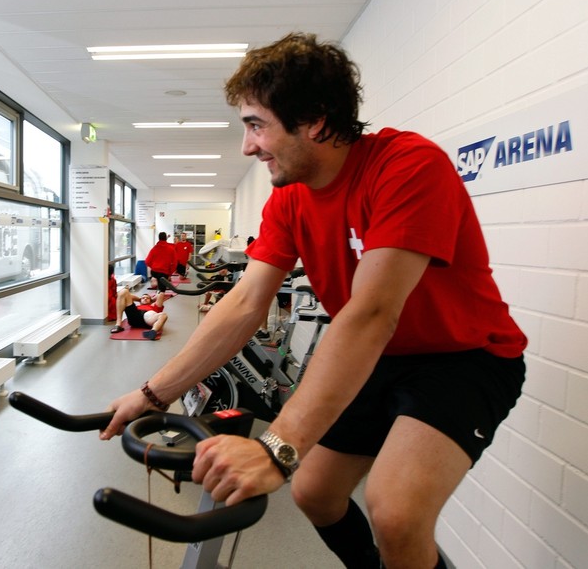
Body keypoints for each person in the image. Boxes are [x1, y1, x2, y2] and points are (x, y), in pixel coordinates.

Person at [100, 33, 526, 569]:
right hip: (383, 359)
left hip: (463, 358)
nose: (248, 146)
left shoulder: (409, 166)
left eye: (257, 125)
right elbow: (245, 302)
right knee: (315, 493)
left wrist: (277, 448)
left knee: (394, 513)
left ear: (316, 121)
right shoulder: (290, 197)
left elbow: (372, 313)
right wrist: (153, 393)